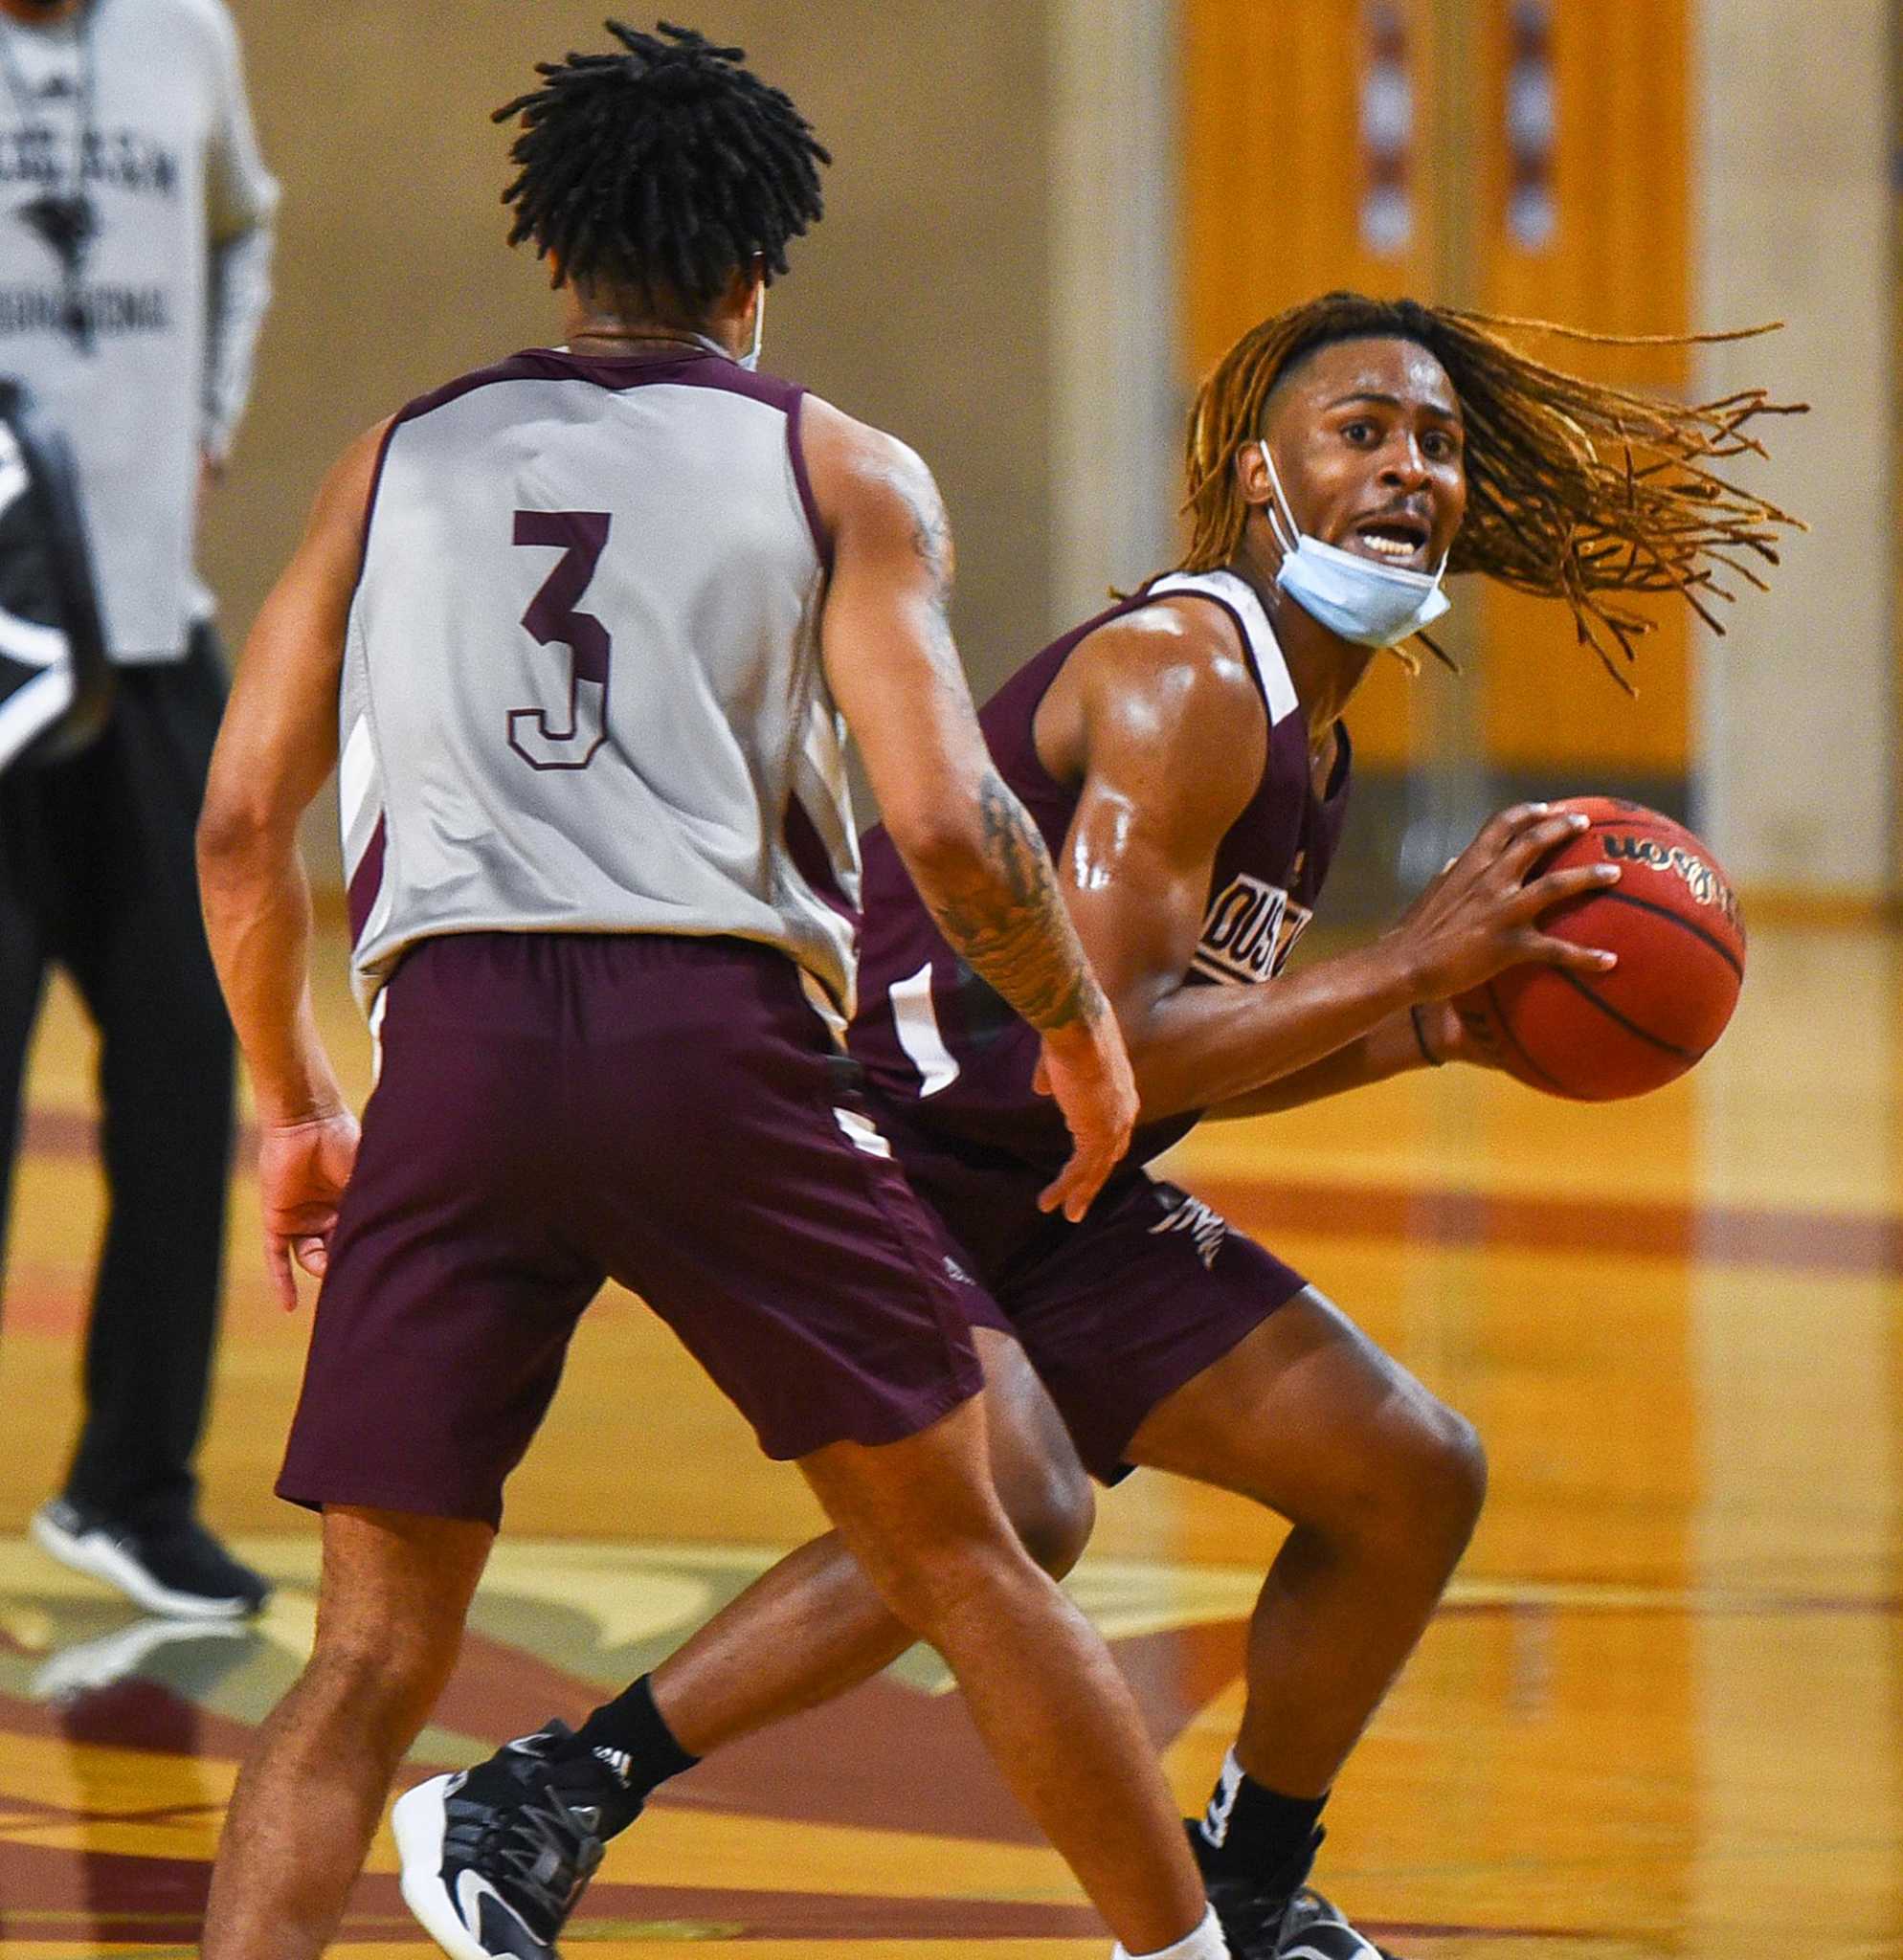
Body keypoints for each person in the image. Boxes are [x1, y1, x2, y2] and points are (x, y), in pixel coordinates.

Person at [427, 292, 1801, 1960]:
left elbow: (1175, 1060)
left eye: (1435, 443)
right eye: (1359, 433)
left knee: (1408, 1475)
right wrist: (1405, 962)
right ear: (1254, 474)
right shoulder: (1183, 676)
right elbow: (1128, 1030)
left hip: (1052, 1178)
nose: (1409, 469)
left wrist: (1425, 1030)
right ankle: (548, 1792)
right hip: (880, 1138)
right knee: (1024, 1501)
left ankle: (1252, 1884)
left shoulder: (1312, 725)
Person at [192, 21, 1248, 1960]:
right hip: (718, 1047)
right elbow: (942, 816)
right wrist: (1085, 1035)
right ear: (761, 267)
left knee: (361, 1655)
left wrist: (295, 1103)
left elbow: (246, 823)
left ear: (553, 252)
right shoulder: (829, 459)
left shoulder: (397, 458)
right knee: (966, 1550)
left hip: (456, 1051)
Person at [0, 0, 277, 1618]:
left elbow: (245, 227)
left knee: (186, 1057)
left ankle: (131, 1486)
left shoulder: (185, 34)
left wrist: (211, 415)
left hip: (150, 642)